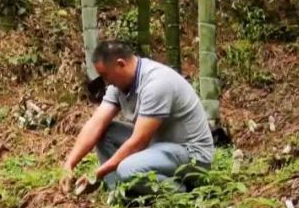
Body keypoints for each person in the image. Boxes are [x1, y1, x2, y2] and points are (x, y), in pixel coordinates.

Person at [60, 40, 214, 198]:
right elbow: (95, 124)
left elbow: (138, 142)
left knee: (128, 169)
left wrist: (96, 174)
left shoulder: (156, 84)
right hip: (159, 148)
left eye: (105, 75)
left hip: (191, 155)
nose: (106, 81)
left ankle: (182, 193)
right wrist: (69, 164)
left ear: (121, 64)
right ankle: (121, 193)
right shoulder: (117, 86)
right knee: (105, 132)